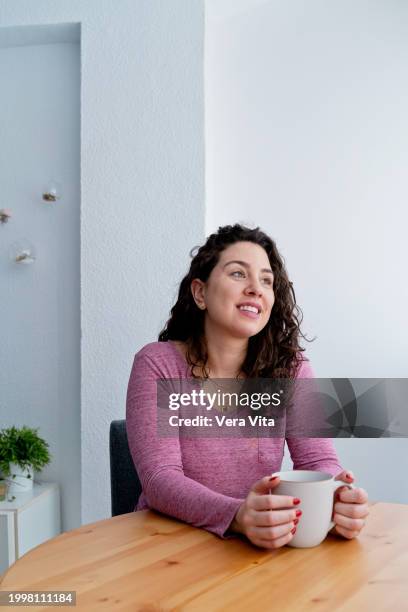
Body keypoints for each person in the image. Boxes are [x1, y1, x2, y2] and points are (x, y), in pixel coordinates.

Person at [126, 224, 369, 549]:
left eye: (267, 280)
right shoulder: (158, 364)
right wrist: (237, 515)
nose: (256, 288)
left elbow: (317, 462)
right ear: (200, 293)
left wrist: (335, 495)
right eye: (238, 274)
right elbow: (161, 479)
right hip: (168, 545)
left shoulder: (291, 370)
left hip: (255, 546)